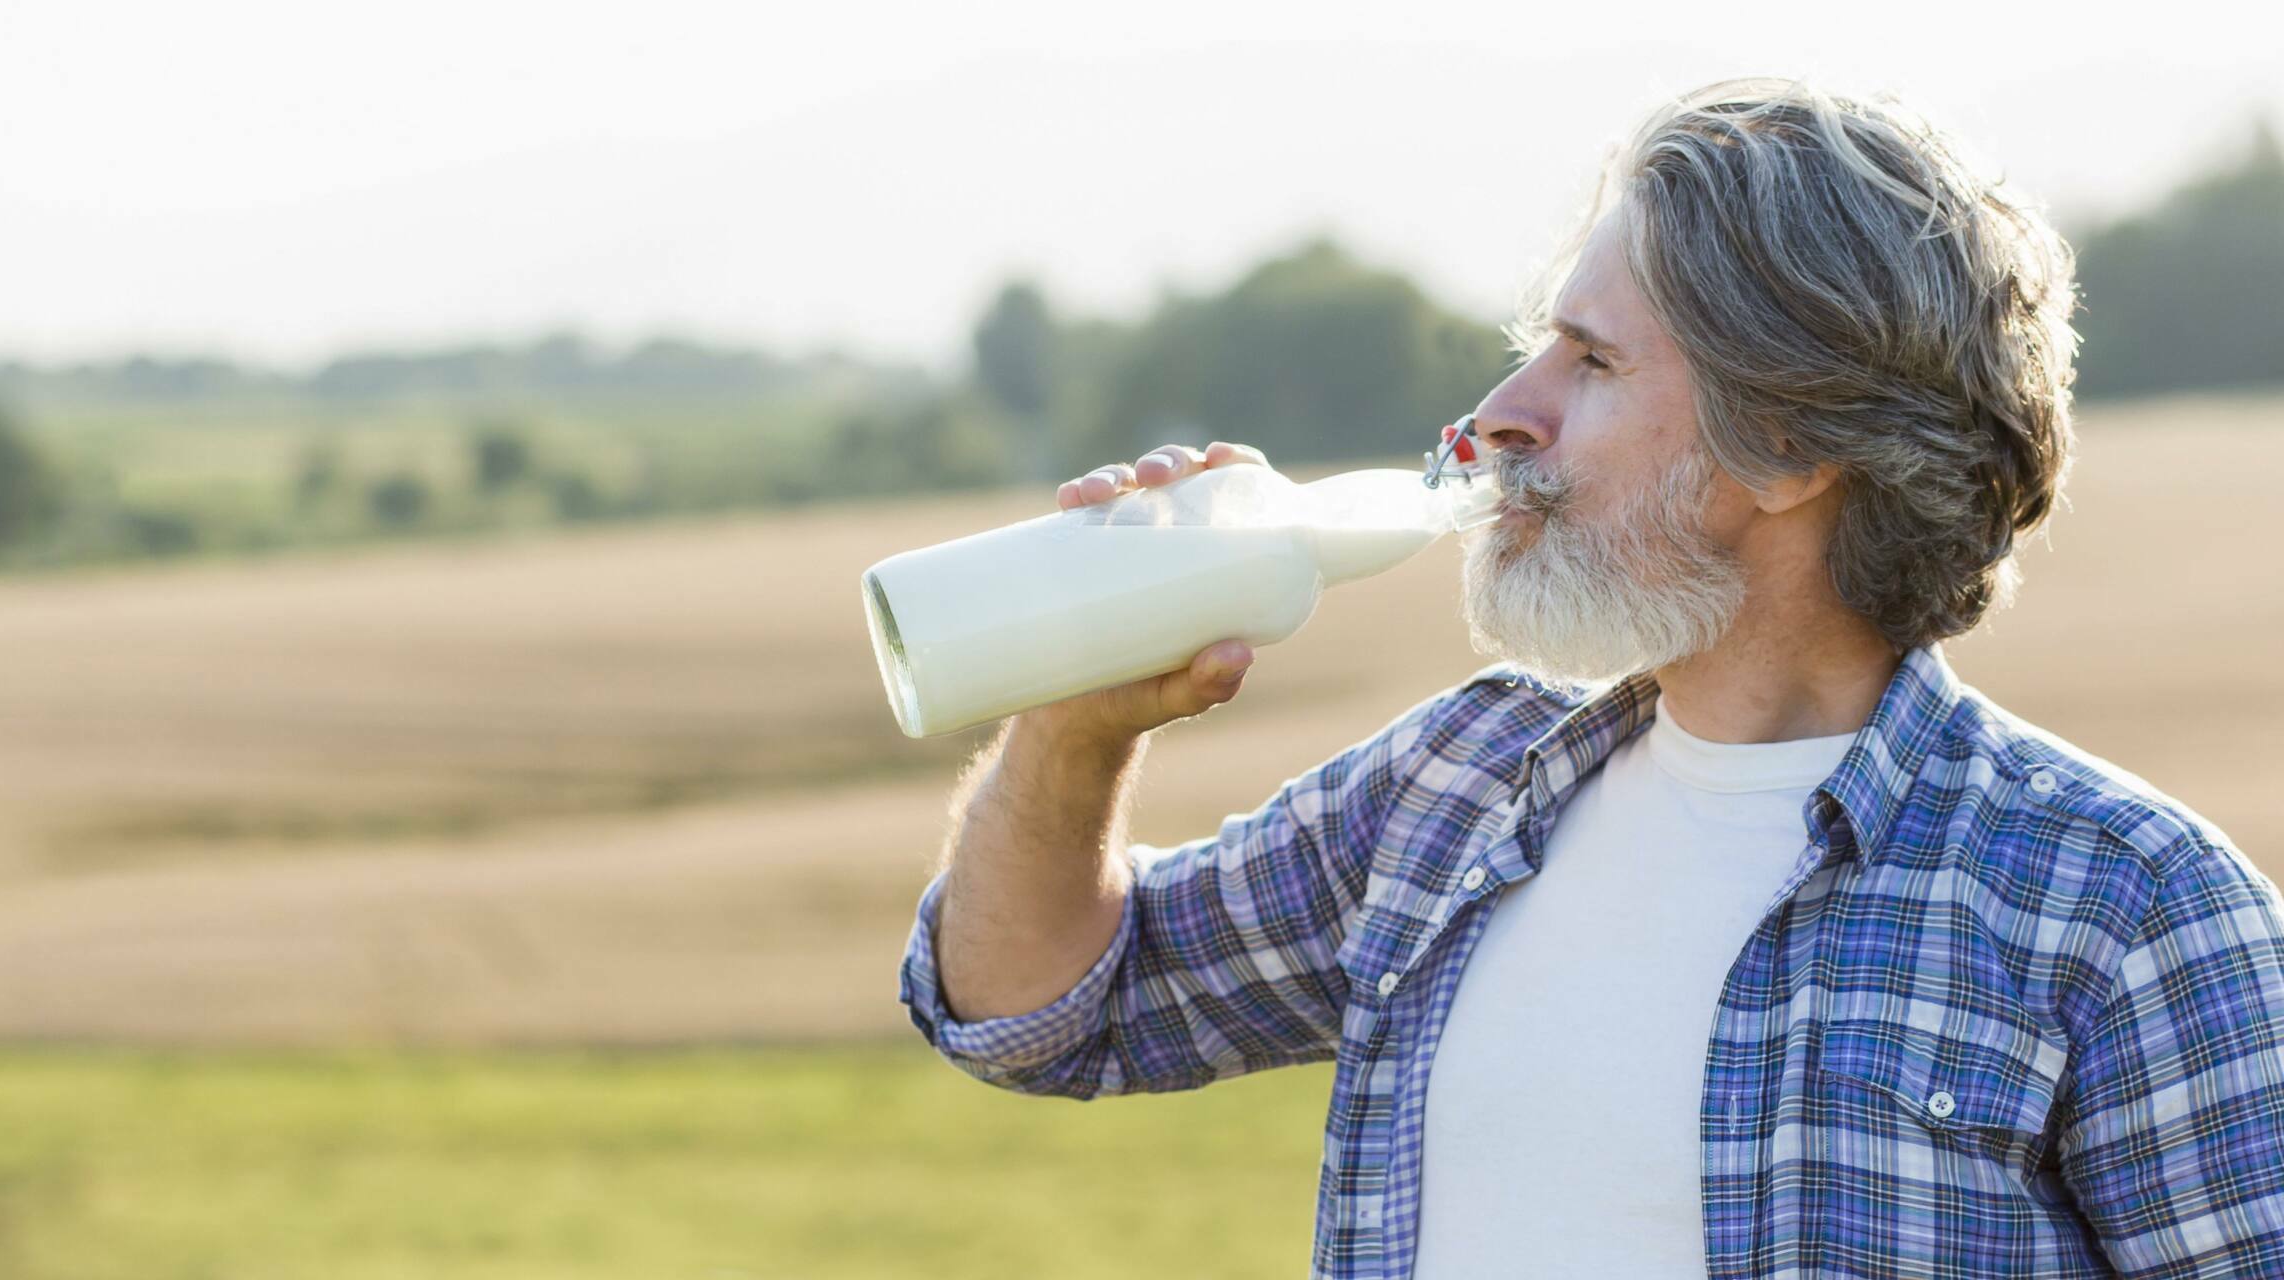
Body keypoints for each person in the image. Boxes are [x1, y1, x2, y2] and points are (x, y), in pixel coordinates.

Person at [895, 76, 2284, 1278]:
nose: (1503, 414)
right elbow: (1038, 1013)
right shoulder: (1450, 792)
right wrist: (1076, 723)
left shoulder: (2124, 909)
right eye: (1536, 345)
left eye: (1594, 361)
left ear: (1789, 450)